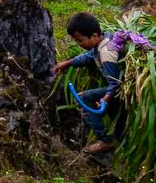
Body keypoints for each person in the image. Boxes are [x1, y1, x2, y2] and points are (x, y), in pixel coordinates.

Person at [53, 11, 123, 156]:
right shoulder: (104, 41)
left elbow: (116, 83)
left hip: (119, 91)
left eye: (80, 40)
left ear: (95, 36)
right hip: (116, 89)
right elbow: (88, 56)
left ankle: (106, 139)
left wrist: (107, 97)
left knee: (83, 98)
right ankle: (119, 136)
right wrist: (68, 63)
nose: (79, 44)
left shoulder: (106, 53)